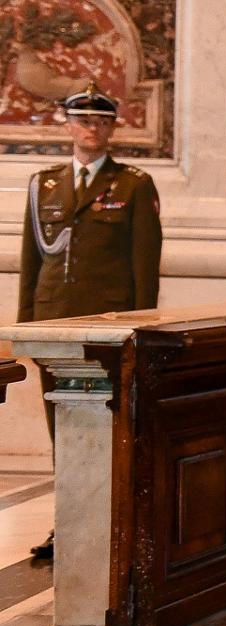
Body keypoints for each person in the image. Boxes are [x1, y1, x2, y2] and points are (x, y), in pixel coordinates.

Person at [16, 82, 162, 562]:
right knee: (62, 424)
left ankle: (111, 520)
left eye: (101, 121)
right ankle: (67, 523)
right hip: (54, 320)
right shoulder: (46, 184)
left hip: (108, 325)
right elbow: (31, 263)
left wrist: (141, 326)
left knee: (111, 422)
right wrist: (25, 327)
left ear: (113, 128)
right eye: (83, 120)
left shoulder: (133, 184)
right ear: (68, 124)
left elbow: (145, 264)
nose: (91, 129)